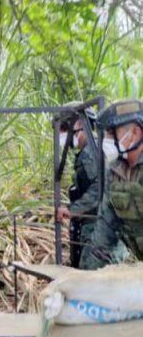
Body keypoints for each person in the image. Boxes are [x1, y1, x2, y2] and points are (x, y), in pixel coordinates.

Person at [83, 99, 143, 269]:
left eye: (111, 133)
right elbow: (105, 228)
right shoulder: (114, 172)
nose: (105, 140)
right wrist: (88, 277)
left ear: (135, 133)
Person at [55, 104, 101, 268]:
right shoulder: (89, 151)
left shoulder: (90, 152)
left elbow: (99, 189)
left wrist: (72, 210)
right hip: (92, 226)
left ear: (80, 124)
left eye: (65, 127)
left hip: (96, 228)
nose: (61, 133)